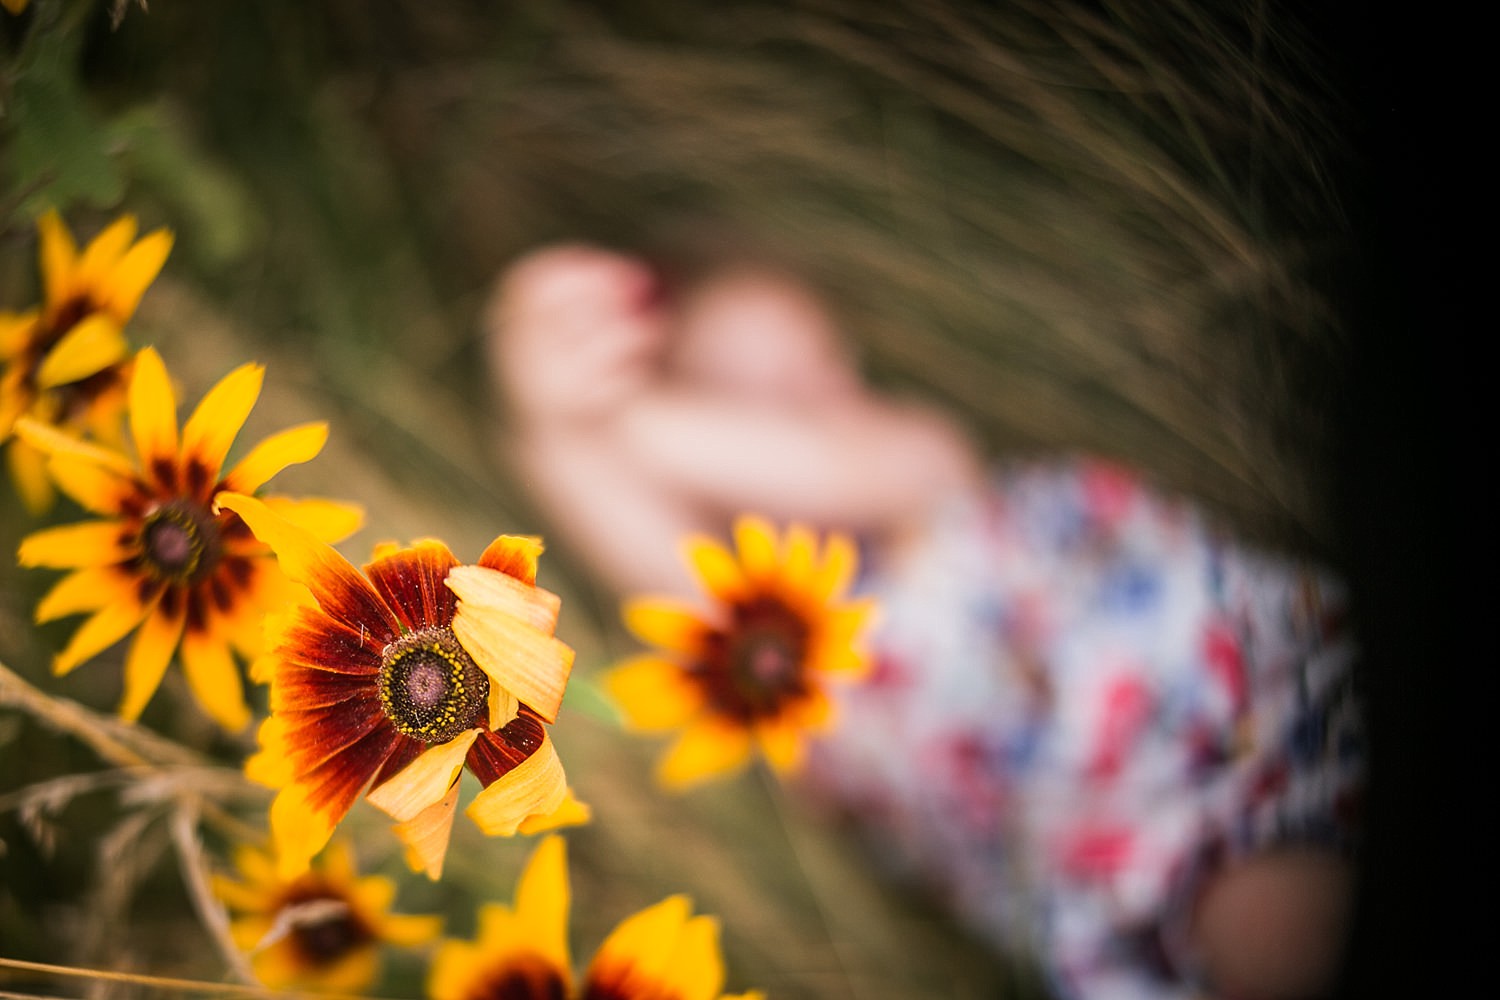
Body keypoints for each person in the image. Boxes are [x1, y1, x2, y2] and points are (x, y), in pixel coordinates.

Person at [484, 241, 1364, 1000]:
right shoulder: (775, 650)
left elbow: (823, 464)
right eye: (758, 397)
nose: (819, 402)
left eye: (826, 366)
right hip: (1118, 860)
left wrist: (605, 411)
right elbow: (624, 525)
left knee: (1288, 907)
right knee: (1259, 927)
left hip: (1218, 708)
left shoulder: (920, 469)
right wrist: (547, 415)